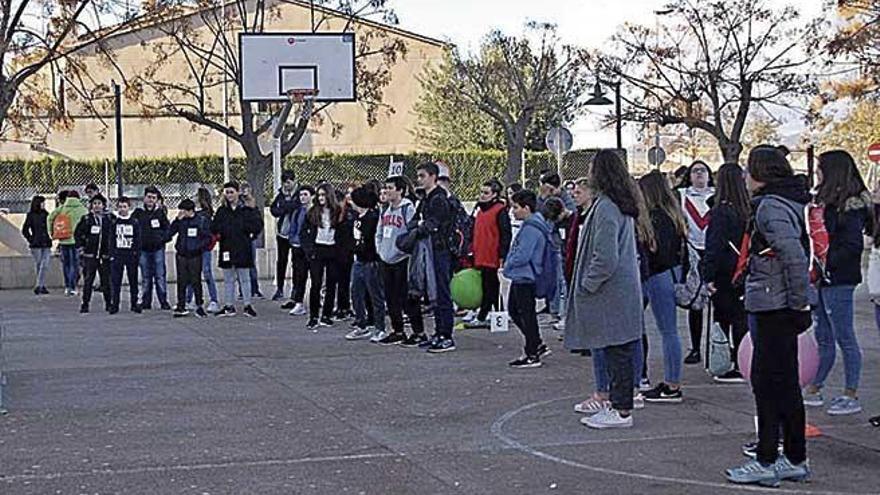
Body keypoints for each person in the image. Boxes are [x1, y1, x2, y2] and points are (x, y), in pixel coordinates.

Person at [725, 145, 812, 487]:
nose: (745, 177)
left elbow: (792, 255)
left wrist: (799, 304)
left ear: (761, 174)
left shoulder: (770, 207)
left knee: (768, 383)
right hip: (776, 301)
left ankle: (767, 459)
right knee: (786, 384)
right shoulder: (786, 202)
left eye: (749, 171)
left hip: (774, 305)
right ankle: (794, 456)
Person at [564, 150, 643, 430]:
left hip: (611, 292)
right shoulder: (616, 204)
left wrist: (588, 282)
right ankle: (617, 404)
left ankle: (621, 409)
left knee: (617, 351)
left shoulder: (607, 207)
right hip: (617, 291)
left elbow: (605, 256)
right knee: (617, 350)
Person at [802, 150, 872, 416]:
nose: (817, 172)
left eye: (820, 167)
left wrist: (827, 265)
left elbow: (851, 245)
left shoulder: (849, 205)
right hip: (822, 277)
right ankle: (815, 387)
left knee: (844, 336)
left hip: (838, 278)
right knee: (823, 336)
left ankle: (850, 392)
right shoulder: (824, 200)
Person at [637, 171, 686, 403]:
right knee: (669, 330)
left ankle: (670, 384)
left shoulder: (654, 218)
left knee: (665, 330)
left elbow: (656, 252)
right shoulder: (673, 214)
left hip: (656, 274)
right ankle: (671, 381)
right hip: (670, 272)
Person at [702, 163, 750, 383]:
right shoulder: (748, 208)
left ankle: (729, 360)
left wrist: (707, 275)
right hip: (743, 268)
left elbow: (714, 245)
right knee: (741, 317)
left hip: (724, 271)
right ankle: (743, 360)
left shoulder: (721, 211)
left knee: (724, 318)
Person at [502, 191, 558, 368]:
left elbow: (523, 254)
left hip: (525, 275)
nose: (513, 211)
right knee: (518, 311)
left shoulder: (531, 228)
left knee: (525, 314)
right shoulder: (533, 225)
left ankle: (532, 350)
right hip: (523, 275)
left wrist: (509, 264)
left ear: (526, 208)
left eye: (516, 207)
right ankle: (535, 344)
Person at [376, 176, 425, 346]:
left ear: (400, 191)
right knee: (391, 297)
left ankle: (418, 332)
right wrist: (381, 251)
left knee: (407, 298)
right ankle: (398, 330)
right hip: (386, 259)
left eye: (391, 188)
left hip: (403, 259)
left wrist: (401, 251)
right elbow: (380, 232)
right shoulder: (386, 210)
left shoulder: (408, 209)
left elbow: (412, 233)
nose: (387, 191)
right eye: (386, 188)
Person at [413, 162, 456, 353]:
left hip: (440, 249)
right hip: (431, 248)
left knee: (441, 292)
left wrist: (420, 228)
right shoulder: (427, 198)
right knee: (434, 292)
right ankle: (439, 332)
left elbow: (434, 223)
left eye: (422, 176)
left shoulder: (438, 198)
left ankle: (446, 335)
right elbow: (417, 220)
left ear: (433, 177)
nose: (419, 180)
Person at [679, 160, 715, 365]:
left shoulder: (716, 194)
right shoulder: (682, 195)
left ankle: (720, 345)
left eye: (703, 170)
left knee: (718, 302)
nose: (699, 174)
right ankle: (695, 347)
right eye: (695, 171)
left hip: (713, 252)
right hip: (692, 251)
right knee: (695, 303)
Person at [211, 181, 263, 318]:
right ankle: (229, 305)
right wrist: (222, 231)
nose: (229, 195)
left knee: (244, 277)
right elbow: (214, 226)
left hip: (243, 246)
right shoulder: (222, 211)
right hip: (227, 246)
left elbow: (257, 224)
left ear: (238, 192)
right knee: (228, 278)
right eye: (227, 192)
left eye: (232, 192)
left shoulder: (246, 209)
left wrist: (251, 233)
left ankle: (247, 305)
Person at [465, 179, 512, 328]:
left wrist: (502, 254)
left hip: (491, 254)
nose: (482, 196)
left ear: (495, 195)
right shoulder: (479, 210)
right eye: (481, 192)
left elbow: (505, 234)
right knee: (488, 285)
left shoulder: (499, 210)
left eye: (486, 193)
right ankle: (493, 313)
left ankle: (488, 314)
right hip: (481, 253)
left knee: (490, 285)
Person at [345, 187, 389, 342]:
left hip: (371, 261)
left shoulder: (373, 217)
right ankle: (361, 324)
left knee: (375, 295)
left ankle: (380, 327)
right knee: (356, 293)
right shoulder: (357, 217)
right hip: (358, 260)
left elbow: (371, 238)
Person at [301, 183, 344, 329]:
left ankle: (327, 315)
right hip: (317, 250)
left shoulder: (338, 211)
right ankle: (313, 316)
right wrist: (309, 251)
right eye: (319, 195)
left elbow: (343, 233)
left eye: (323, 195)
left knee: (331, 284)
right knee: (316, 284)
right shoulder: (312, 212)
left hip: (332, 250)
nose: (321, 198)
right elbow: (304, 234)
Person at [170, 198, 212, 318]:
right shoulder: (181, 221)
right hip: (182, 254)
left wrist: (198, 247)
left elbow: (208, 237)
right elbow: (170, 232)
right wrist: (176, 221)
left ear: (190, 211)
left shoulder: (200, 221)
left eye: (183, 211)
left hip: (195, 255)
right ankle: (181, 305)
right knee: (181, 281)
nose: (181, 213)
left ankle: (199, 305)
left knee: (195, 280)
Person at [133, 186, 171, 310]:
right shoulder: (138, 214)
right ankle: (146, 301)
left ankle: (163, 301)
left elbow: (168, 229)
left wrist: (162, 239)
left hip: (158, 249)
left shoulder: (160, 214)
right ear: (144, 198)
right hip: (143, 249)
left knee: (160, 275)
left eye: (153, 198)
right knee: (145, 276)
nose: (150, 200)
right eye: (149, 197)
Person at [74, 194, 112, 314]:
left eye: (99, 204)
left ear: (103, 205)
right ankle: (85, 303)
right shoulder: (86, 219)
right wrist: (82, 247)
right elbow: (78, 234)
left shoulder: (109, 219)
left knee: (106, 280)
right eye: (94, 204)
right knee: (89, 280)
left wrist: (111, 251)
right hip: (90, 255)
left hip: (104, 255)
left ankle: (109, 303)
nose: (97, 206)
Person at [282, 185, 314, 316]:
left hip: (311, 248)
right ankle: (298, 302)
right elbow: (293, 228)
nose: (303, 198)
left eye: (305, 195)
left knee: (316, 277)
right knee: (299, 276)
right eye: (301, 195)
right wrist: (293, 240)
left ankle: (316, 302)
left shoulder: (314, 212)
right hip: (298, 247)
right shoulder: (298, 211)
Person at [48, 190, 88, 296]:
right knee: (75, 265)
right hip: (77, 241)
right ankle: (73, 286)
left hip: (63, 239)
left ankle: (67, 287)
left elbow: (50, 218)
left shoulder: (62, 208)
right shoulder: (83, 209)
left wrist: (51, 232)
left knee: (66, 264)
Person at [187, 187, 219, 313]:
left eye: (196, 195)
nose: (193, 197)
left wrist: (208, 243)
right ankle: (188, 300)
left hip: (204, 248)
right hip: (195, 248)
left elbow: (209, 232)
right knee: (192, 274)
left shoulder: (205, 215)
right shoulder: (193, 214)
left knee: (206, 272)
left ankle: (213, 300)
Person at [270, 171, 302, 302]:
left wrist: (284, 206)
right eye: (285, 183)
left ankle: (295, 289)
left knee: (296, 263)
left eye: (289, 182)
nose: (287, 185)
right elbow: (274, 209)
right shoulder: (281, 194)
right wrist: (284, 207)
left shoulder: (299, 193)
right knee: (281, 261)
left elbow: (295, 206)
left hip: (295, 233)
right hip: (282, 232)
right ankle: (280, 288)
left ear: (294, 181)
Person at [108, 197, 141, 314]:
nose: (122, 209)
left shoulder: (134, 222)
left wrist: (137, 254)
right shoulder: (114, 223)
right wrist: (112, 254)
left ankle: (134, 303)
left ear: (129, 207)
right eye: (120, 207)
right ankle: (115, 304)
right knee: (116, 281)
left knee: (133, 281)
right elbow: (111, 239)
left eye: (125, 207)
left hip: (131, 255)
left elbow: (138, 239)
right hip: (117, 255)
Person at [334, 184, 357, 320]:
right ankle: (341, 306)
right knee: (339, 280)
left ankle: (346, 307)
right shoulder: (334, 214)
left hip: (347, 251)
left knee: (346, 280)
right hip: (336, 250)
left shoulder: (350, 214)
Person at [22, 195, 52, 295]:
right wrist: (31, 239)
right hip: (36, 244)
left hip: (46, 243)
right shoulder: (31, 215)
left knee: (45, 264)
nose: (44, 205)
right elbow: (25, 230)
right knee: (39, 265)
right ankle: (41, 286)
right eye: (42, 202)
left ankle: (39, 285)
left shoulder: (46, 214)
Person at [240, 182, 263, 299]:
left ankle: (255, 289)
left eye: (246, 190)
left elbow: (257, 220)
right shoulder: (237, 203)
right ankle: (242, 290)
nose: (244, 192)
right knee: (240, 264)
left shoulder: (253, 203)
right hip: (240, 237)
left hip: (250, 237)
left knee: (252, 264)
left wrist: (254, 233)